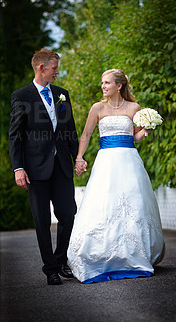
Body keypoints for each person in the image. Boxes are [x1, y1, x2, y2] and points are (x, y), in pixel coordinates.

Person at [67, 68, 165, 284]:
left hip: (129, 160)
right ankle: (101, 254)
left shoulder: (134, 107)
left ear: (119, 86)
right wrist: (79, 157)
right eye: (102, 83)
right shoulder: (97, 108)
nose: (103, 87)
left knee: (133, 203)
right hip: (106, 162)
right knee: (104, 203)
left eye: (107, 83)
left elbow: (136, 137)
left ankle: (135, 253)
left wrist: (147, 128)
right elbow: (86, 134)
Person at [9, 49, 78, 285]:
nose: (57, 72)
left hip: (62, 166)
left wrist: (77, 157)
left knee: (68, 214)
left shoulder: (62, 94)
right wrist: (18, 167)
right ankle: (50, 268)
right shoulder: (22, 96)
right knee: (41, 219)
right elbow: (15, 135)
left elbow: (70, 129)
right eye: (54, 68)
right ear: (41, 68)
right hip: (35, 168)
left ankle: (60, 260)